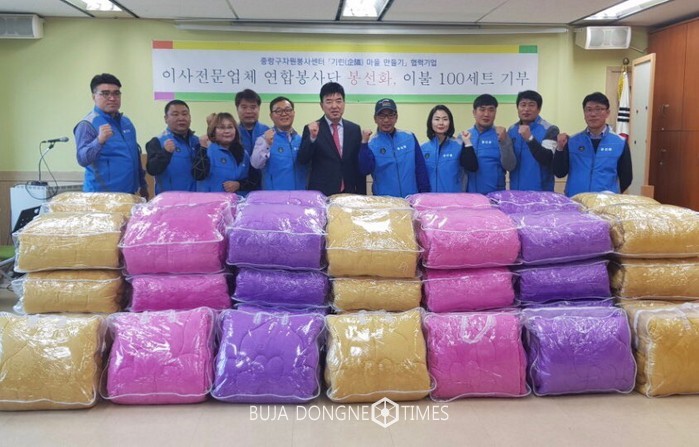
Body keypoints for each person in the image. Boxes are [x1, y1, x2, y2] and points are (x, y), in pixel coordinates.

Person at [74, 73, 148, 197]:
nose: (112, 98)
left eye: (116, 93)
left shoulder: (126, 122)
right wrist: (99, 140)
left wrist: (143, 185)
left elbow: (134, 156)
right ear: (94, 97)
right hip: (100, 196)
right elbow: (82, 159)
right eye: (105, 94)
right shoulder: (87, 124)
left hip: (129, 193)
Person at [553, 92, 633, 197]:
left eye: (598, 109)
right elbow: (559, 172)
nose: (593, 114)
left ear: (607, 113)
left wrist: (612, 195)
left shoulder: (619, 143)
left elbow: (626, 177)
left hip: (605, 202)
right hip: (575, 200)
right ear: (584, 114)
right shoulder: (572, 141)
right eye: (589, 110)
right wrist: (559, 148)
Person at [298, 82, 366, 196]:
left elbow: (357, 164)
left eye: (338, 101)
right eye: (329, 102)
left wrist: (361, 195)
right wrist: (312, 138)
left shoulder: (354, 129)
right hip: (322, 193)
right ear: (321, 105)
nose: (334, 106)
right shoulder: (312, 129)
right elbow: (302, 159)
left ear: (344, 103)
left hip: (348, 192)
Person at [359, 98, 431, 197]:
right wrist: (364, 144)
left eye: (390, 115)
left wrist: (424, 196)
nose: (386, 120)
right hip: (385, 203)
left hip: (411, 200)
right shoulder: (371, 144)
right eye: (382, 116)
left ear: (396, 117)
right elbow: (364, 170)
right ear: (375, 119)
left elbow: (421, 169)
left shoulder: (409, 138)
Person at [145, 100, 209, 194]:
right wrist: (165, 153)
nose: (181, 118)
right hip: (169, 200)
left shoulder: (198, 142)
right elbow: (152, 170)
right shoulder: (158, 141)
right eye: (175, 114)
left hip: (196, 198)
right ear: (166, 118)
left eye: (184, 114)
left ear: (190, 117)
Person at [251, 96, 308, 190]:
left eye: (288, 110)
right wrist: (266, 144)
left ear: (293, 113)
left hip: (299, 195)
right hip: (275, 196)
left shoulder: (301, 140)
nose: (284, 114)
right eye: (278, 111)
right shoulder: (264, 139)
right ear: (271, 116)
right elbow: (256, 164)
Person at [507, 90, 559, 191]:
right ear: (517, 108)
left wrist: (530, 138)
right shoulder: (512, 130)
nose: (526, 109)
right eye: (523, 105)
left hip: (541, 193)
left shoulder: (550, 129)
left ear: (539, 109)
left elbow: (547, 158)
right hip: (516, 192)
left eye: (531, 105)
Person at [465, 94, 516, 194]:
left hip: (495, 196)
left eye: (491, 110)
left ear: (495, 112)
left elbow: (510, 166)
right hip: (470, 197)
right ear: (474, 112)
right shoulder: (464, 136)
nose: (486, 114)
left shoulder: (502, 135)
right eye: (482, 109)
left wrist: (504, 142)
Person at [421, 105, 478, 192]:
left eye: (445, 119)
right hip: (430, 198)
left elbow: (472, 167)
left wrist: (467, 142)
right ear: (430, 122)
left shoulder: (459, 145)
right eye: (437, 119)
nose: (441, 123)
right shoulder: (423, 148)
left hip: (454, 198)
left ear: (450, 122)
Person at [197, 113, 256, 194]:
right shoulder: (206, 150)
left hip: (238, 201)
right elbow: (198, 175)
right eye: (221, 127)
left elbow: (253, 180)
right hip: (212, 200)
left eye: (230, 127)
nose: (227, 131)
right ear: (213, 131)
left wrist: (239, 185)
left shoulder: (244, 154)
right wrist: (203, 149)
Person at [235, 89, 268, 193]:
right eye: (244, 107)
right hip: (238, 190)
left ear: (259, 108)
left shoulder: (268, 132)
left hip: (264, 189)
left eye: (253, 107)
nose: (249, 111)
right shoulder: (231, 133)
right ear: (237, 108)